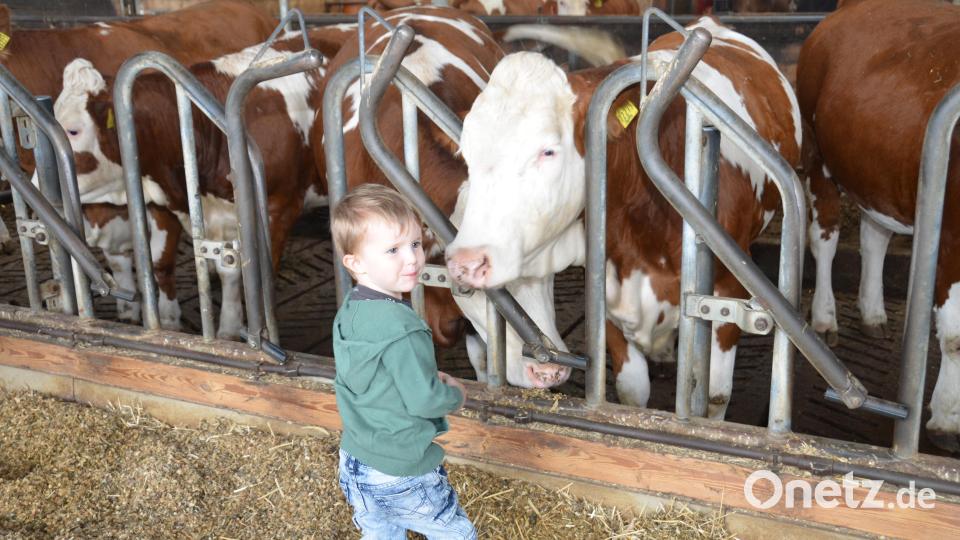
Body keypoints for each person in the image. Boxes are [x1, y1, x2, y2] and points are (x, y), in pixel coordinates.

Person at [330, 183, 476, 539]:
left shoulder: (350, 310)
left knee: (382, 534)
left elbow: (371, 375)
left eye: (415, 244)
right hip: (401, 471)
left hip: (356, 460)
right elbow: (424, 400)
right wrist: (455, 394)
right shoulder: (403, 327)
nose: (411, 258)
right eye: (393, 250)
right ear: (355, 263)